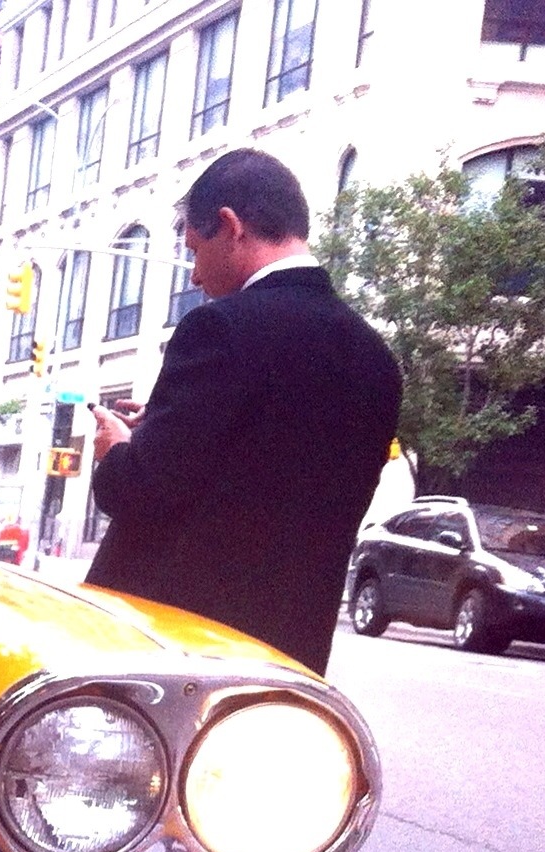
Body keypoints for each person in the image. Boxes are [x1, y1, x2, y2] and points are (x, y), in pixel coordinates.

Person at [85, 148, 402, 675]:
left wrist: (116, 449)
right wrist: (162, 423)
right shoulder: (376, 358)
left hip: (174, 647)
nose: (194, 275)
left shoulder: (219, 328)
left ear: (230, 227)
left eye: (194, 249)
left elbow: (138, 491)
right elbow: (270, 461)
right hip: (288, 659)